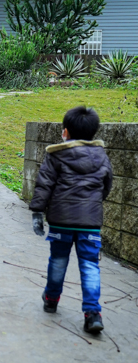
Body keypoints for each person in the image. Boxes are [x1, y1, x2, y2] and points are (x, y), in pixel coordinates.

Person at [30, 106, 112, 335]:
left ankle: (51, 300)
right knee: (89, 265)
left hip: (60, 221)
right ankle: (93, 313)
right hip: (90, 223)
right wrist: (93, 204)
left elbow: (44, 184)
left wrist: (37, 212)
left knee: (58, 260)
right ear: (93, 133)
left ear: (65, 132)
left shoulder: (56, 155)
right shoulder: (102, 156)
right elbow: (106, 186)